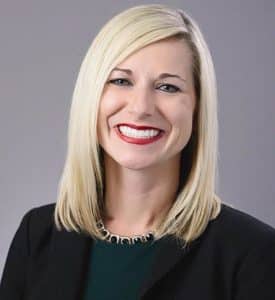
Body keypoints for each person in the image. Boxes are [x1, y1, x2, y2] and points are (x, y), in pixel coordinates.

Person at [1, 3, 275, 300]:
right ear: (91, 96)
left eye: (168, 87)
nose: (141, 107)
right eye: (121, 81)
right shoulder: (37, 235)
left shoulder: (252, 252)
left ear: (197, 110)